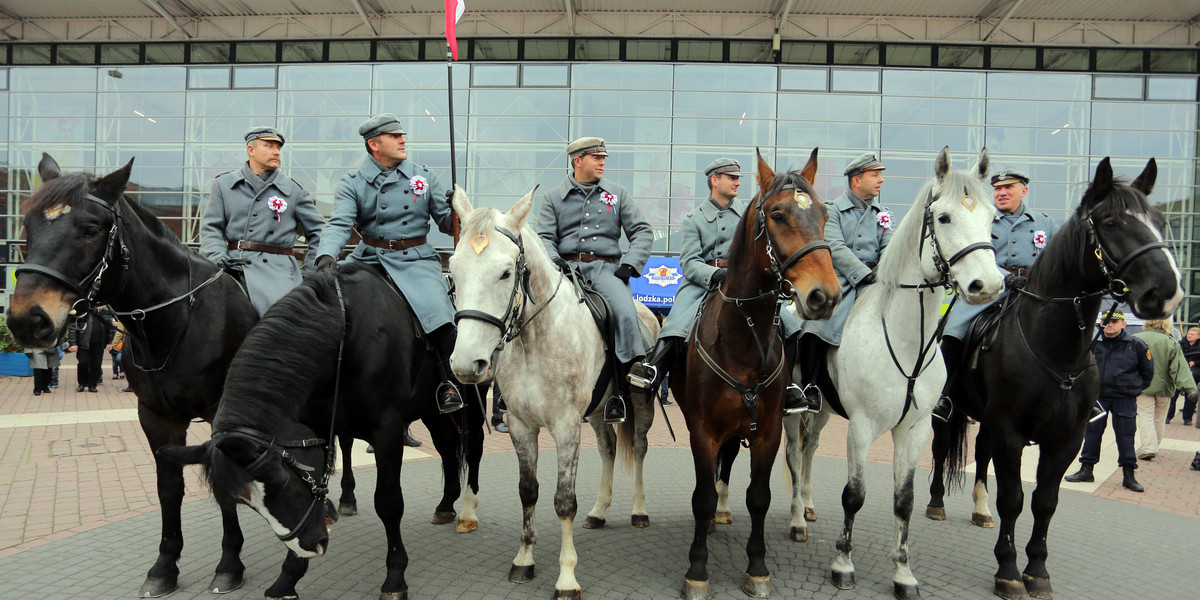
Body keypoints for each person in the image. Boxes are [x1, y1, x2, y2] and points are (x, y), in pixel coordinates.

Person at [628, 158, 807, 413]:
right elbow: (689, 262)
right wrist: (715, 275)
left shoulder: (751, 214)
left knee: (790, 327)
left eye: (738, 177)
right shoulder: (694, 218)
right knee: (677, 324)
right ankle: (653, 373)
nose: (737, 181)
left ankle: (789, 388)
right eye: (731, 177)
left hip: (745, 285)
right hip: (704, 283)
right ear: (714, 180)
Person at [314, 114, 463, 414]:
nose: (403, 140)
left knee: (441, 316)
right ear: (374, 144)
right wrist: (327, 256)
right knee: (331, 311)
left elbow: (446, 224)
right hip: (371, 258)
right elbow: (339, 224)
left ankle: (449, 384)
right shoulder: (353, 183)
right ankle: (326, 385)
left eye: (402, 135)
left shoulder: (423, 176)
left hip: (416, 259)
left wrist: (457, 210)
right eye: (395, 136)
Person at [537, 136, 653, 424]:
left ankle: (624, 391)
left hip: (605, 271)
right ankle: (506, 395)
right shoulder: (553, 197)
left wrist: (629, 265)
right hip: (564, 271)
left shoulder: (617, 193)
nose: (602, 162)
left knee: (625, 314)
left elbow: (642, 231)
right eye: (596, 157)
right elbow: (544, 238)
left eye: (603, 158)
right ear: (578, 161)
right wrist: (553, 262)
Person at [936, 169, 1066, 422]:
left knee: (1074, 327)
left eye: (1009, 188)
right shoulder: (983, 219)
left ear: (1024, 191)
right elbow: (973, 254)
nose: (1002, 193)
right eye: (997, 189)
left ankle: (1084, 395)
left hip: (1034, 291)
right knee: (954, 330)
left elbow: (1057, 258)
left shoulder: (1045, 222)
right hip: (992, 288)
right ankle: (945, 395)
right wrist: (1004, 277)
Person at [794, 153, 892, 413]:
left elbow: (890, 247)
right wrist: (864, 274)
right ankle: (810, 386)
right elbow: (835, 247)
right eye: (875, 175)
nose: (881, 180)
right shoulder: (831, 211)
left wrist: (885, 274)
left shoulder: (882, 214)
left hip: (878, 281)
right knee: (816, 326)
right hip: (842, 280)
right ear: (856, 181)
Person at [200, 126, 326, 317]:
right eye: (268, 146)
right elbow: (211, 229)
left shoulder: (294, 190)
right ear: (251, 150)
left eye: (278, 148)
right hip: (233, 267)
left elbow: (320, 233)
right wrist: (217, 257)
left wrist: (309, 275)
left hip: (279, 273)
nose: (276, 152)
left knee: (282, 319)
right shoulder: (223, 185)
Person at [1065, 313, 1154, 492]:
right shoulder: (1093, 344)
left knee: (1126, 437)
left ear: (1124, 324)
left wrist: (1134, 389)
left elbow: (1148, 373)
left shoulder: (1136, 345)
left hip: (1124, 399)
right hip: (1098, 398)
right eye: (1106, 322)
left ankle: (1129, 476)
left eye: (1114, 322)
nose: (1109, 325)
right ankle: (1086, 470)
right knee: (1092, 434)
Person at [1132, 319, 1197, 460]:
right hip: (1164, 387)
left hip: (1142, 386)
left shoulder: (1137, 338)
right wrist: (1190, 388)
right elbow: (1180, 368)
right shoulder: (1170, 342)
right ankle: (1155, 446)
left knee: (1145, 416)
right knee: (1160, 418)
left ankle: (1149, 447)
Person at [68, 309, 114, 393]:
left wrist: (110, 342)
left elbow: (110, 328)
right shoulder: (82, 312)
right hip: (83, 343)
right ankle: (82, 383)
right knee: (83, 362)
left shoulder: (104, 313)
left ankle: (92, 385)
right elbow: (73, 327)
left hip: (99, 344)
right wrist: (73, 343)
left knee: (96, 364)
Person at [1172, 325, 1200, 426]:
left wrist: (1195, 362)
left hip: (1194, 374)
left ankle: (1187, 418)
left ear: (1198, 336)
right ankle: (1168, 416)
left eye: (1192, 334)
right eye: (1188, 333)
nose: (1189, 335)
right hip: (1179, 373)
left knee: (1191, 397)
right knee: (1173, 395)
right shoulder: (1179, 344)